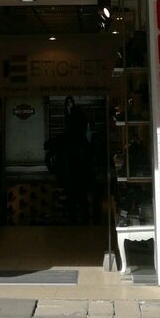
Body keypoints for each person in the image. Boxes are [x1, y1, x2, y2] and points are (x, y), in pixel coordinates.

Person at [63, 96, 94, 224]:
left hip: (75, 160)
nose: (69, 105)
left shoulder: (72, 117)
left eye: (69, 103)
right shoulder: (76, 118)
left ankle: (74, 218)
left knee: (75, 192)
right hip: (79, 160)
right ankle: (83, 217)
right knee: (81, 193)